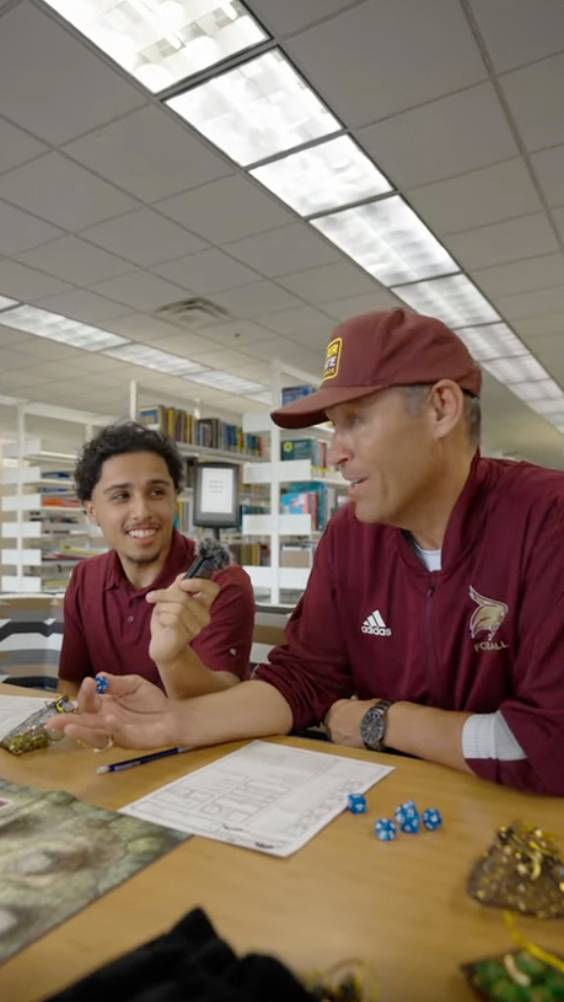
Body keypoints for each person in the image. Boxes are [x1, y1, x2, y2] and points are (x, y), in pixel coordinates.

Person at [49, 310, 564, 795]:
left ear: (440, 408)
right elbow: (302, 680)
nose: (336, 451)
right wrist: (173, 722)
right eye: (333, 427)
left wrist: (382, 720)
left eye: (355, 420)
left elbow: (551, 743)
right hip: (389, 816)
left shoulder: (548, 520)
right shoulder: (349, 535)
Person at [57, 421, 255, 700]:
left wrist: (173, 657)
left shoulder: (221, 581)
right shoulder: (85, 576)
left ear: (175, 498)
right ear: (92, 511)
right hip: (106, 739)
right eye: (121, 496)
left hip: (194, 742)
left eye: (157, 492)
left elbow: (222, 703)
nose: (142, 511)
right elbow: (72, 683)